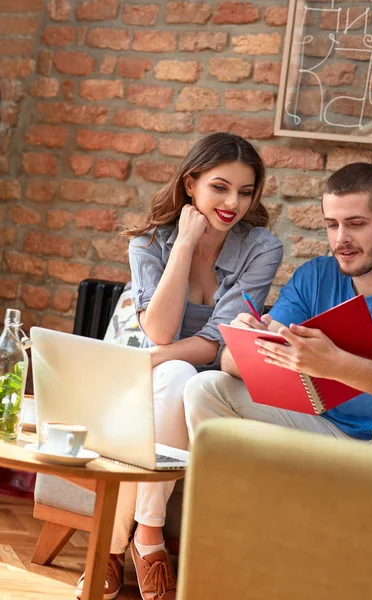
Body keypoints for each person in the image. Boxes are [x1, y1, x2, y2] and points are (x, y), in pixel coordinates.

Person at [75, 132, 283, 600]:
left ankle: (113, 544)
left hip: (164, 373)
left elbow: (218, 341)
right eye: (220, 187)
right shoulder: (151, 242)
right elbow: (161, 330)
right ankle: (148, 541)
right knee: (174, 373)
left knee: (177, 376)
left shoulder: (261, 247)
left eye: (246, 192)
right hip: (130, 371)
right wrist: (186, 244)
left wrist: (152, 360)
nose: (233, 203)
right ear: (191, 184)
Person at [183, 162, 372, 465]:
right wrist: (252, 342)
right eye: (332, 225)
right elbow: (229, 362)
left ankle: (370, 507)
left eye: (356, 224)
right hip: (323, 431)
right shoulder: (314, 277)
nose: (341, 239)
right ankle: (234, 508)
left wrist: (335, 365)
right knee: (205, 387)